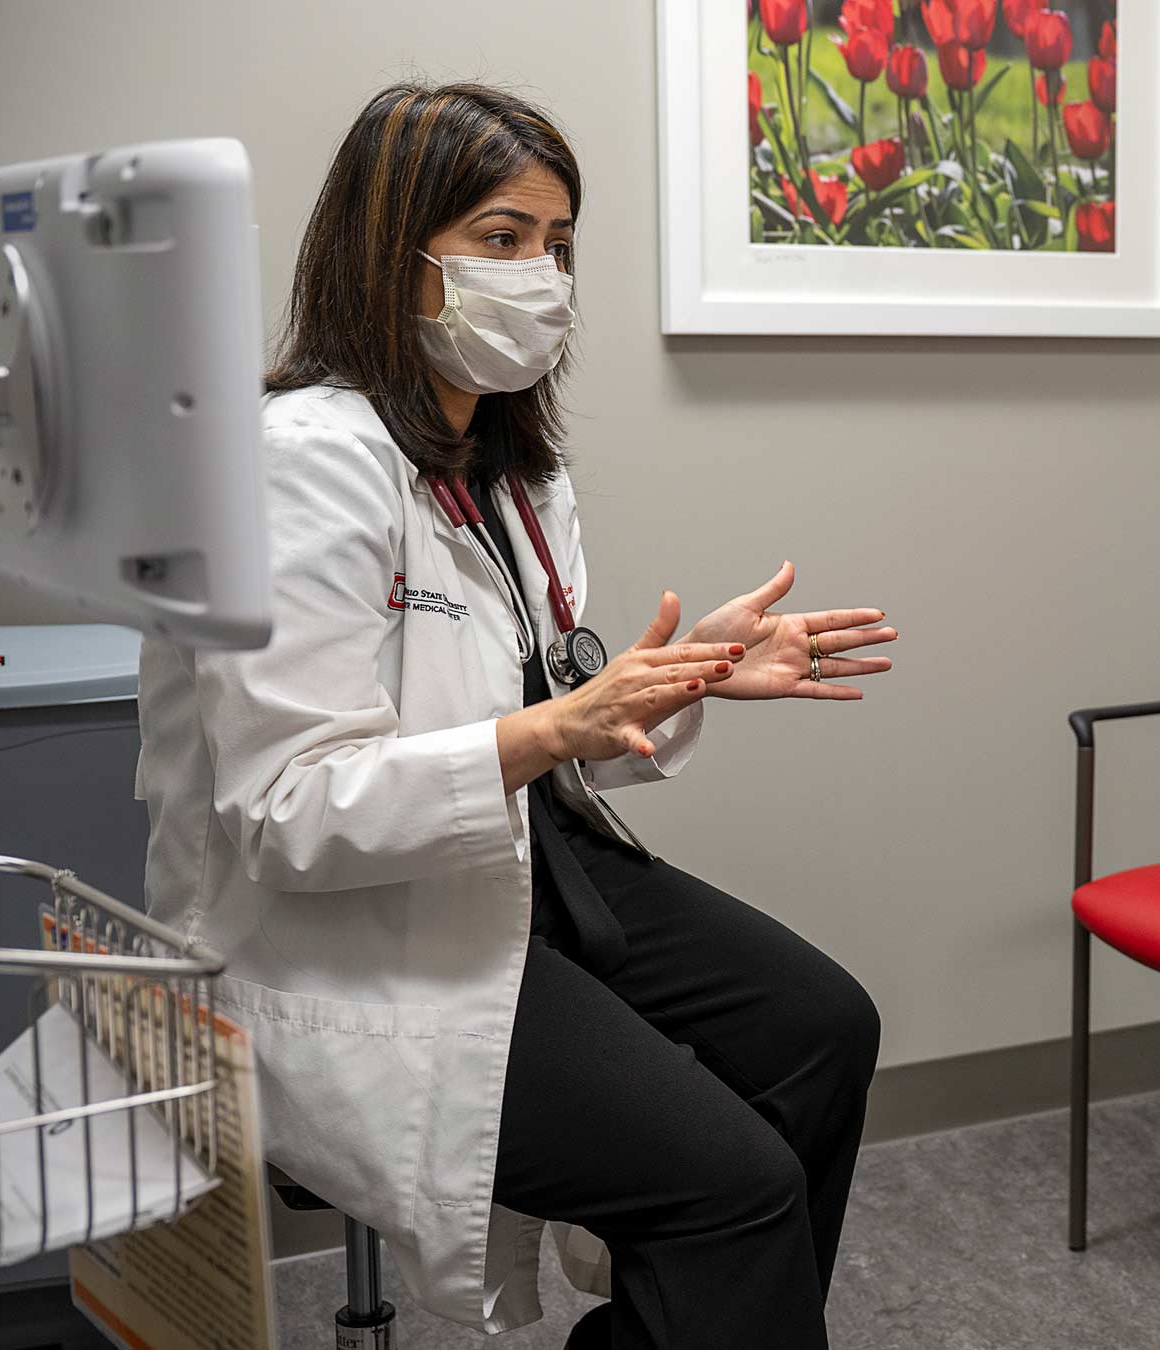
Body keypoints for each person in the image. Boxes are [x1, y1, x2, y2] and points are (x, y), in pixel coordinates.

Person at [136, 83, 896, 1349]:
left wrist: (686, 674)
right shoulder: (305, 460)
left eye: (558, 244)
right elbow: (287, 811)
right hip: (341, 925)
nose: (540, 276)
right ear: (397, 251)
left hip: (521, 863)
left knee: (824, 1031)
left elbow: (530, 706)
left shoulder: (513, 471)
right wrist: (555, 731)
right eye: (501, 238)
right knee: (735, 1190)